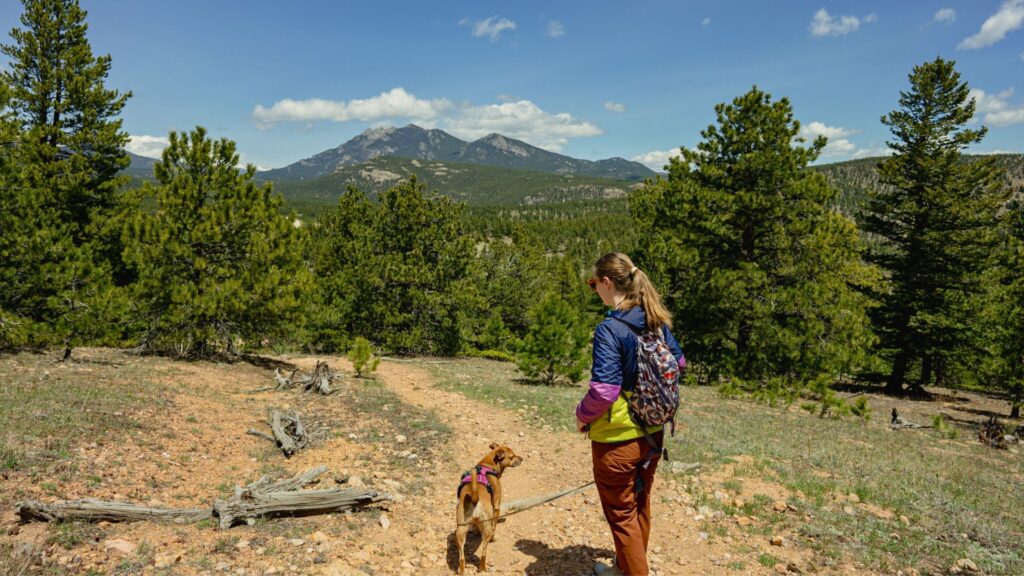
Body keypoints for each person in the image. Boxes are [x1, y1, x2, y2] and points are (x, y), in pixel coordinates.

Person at [575, 252, 685, 576]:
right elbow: (679, 363)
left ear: (607, 283)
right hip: (653, 432)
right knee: (639, 504)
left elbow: (604, 392)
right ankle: (626, 568)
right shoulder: (656, 320)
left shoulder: (610, 328)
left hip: (618, 440)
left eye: (594, 283)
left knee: (622, 516)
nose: (594, 289)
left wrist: (582, 416)